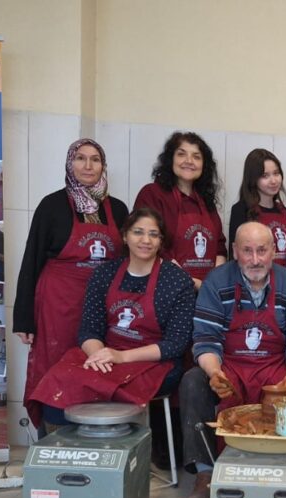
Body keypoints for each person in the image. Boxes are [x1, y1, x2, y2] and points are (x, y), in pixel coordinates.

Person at [180, 221, 286, 498]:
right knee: (192, 382)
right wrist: (214, 372)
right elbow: (205, 339)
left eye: (262, 251)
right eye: (247, 251)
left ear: (274, 251)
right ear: (235, 252)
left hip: (276, 368)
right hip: (230, 367)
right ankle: (205, 474)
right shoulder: (217, 281)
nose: (255, 259)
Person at [29, 208, 195, 428]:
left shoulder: (177, 281)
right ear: (125, 236)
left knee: (107, 390)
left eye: (154, 234)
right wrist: (99, 357)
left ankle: (124, 455)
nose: (146, 240)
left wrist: (121, 357)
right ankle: (74, 455)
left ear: (161, 241)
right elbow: (89, 329)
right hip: (106, 355)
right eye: (138, 232)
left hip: (153, 362)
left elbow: (176, 344)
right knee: (58, 386)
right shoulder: (104, 274)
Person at [14, 138, 129, 427]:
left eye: (95, 159)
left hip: (105, 303)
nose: (88, 165)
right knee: (56, 366)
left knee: (98, 365)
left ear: (104, 166)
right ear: (70, 163)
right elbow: (32, 259)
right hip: (59, 302)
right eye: (80, 158)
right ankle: (51, 436)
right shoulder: (51, 205)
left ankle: (94, 433)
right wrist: (24, 318)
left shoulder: (118, 208)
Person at [134, 131, 225, 288]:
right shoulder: (152, 194)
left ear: (204, 165)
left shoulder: (206, 201)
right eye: (181, 154)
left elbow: (220, 247)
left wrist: (211, 285)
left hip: (206, 293)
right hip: (166, 287)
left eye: (196, 157)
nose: (189, 161)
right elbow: (149, 243)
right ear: (171, 160)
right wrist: (191, 283)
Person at [228, 149, 286, 265]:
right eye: (265, 176)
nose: (273, 181)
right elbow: (235, 258)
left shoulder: (284, 211)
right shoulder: (241, 210)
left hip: (282, 280)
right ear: (253, 179)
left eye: (276, 173)